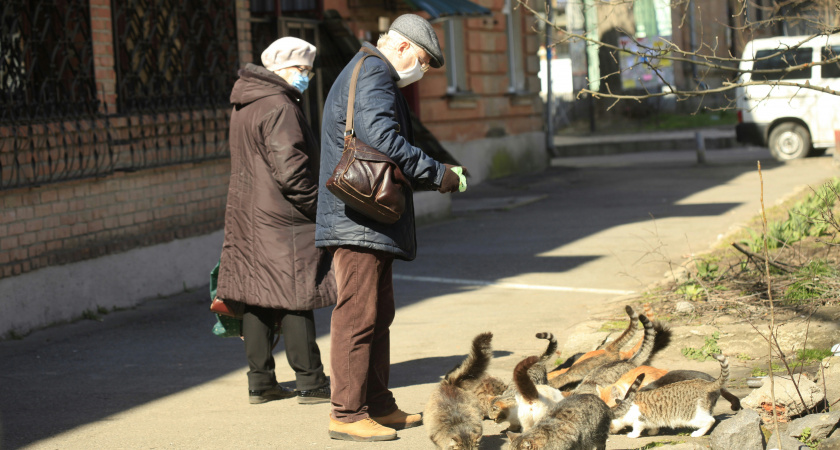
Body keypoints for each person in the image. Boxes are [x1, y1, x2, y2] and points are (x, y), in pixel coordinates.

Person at [315, 14, 468, 442]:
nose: (419, 70)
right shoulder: (374, 73)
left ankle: (378, 404)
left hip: (366, 216)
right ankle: (346, 414)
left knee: (377, 315)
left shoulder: (370, 69)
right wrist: (438, 172)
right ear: (400, 46)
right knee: (357, 317)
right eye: (420, 59)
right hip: (358, 218)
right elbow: (383, 140)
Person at [217, 37, 336, 406]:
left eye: (309, 69)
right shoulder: (280, 106)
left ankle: (261, 382)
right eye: (302, 69)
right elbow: (293, 174)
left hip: (249, 215)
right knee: (296, 296)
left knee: (256, 297)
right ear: (282, 69)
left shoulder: (246, 103)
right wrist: (320, 210)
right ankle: (311, 382)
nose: (307, 76)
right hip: (283, 218)